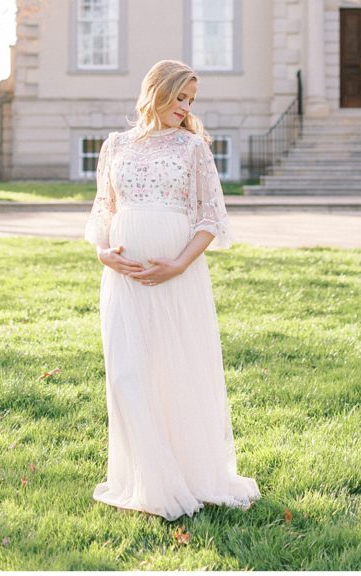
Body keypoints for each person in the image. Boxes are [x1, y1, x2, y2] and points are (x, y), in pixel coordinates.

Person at [84, 59, 261, 521]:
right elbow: (103, 213)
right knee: (127, 374)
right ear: (155, 92)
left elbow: (209, 219)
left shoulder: (193, 149)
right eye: (179, 97)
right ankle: (145, 479)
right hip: (123, 280)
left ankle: (186, 475)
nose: (185, 108)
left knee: (174, 373)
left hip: (177, 280)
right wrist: (105, 254)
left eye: (191, 100)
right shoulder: (115, 145)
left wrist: (178, 264)